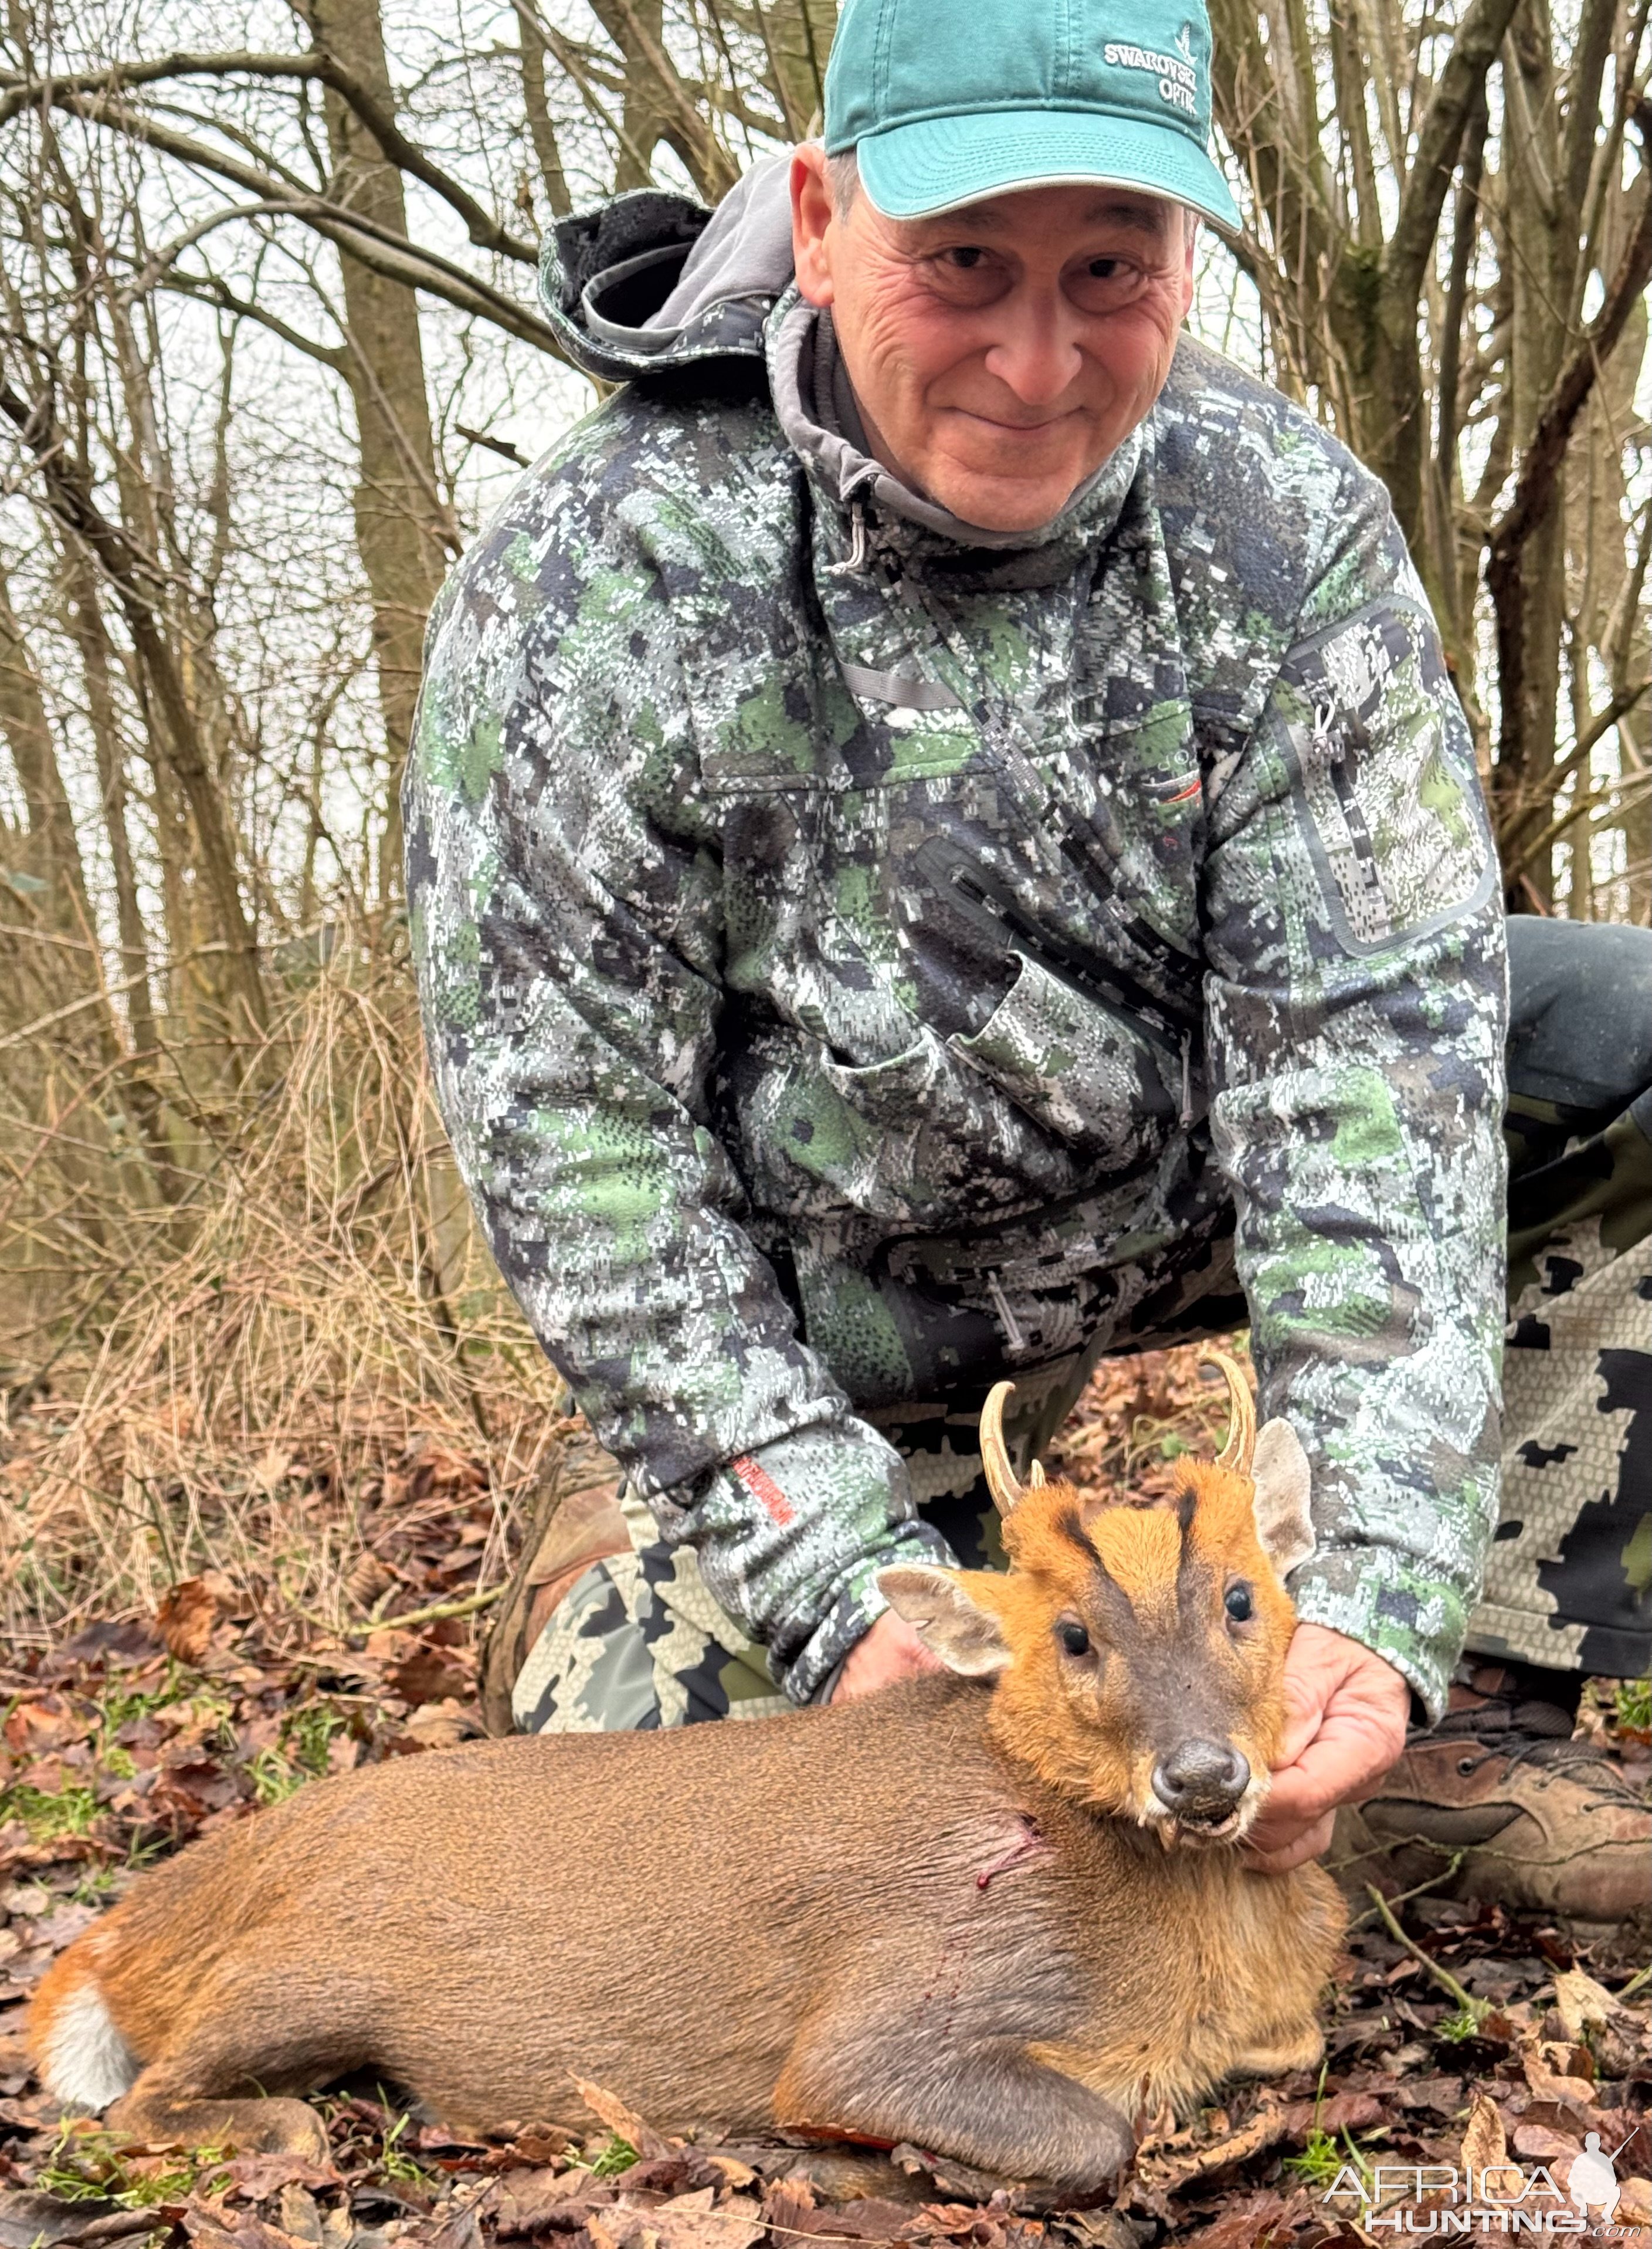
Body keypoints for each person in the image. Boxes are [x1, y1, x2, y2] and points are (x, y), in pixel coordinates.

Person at [405, 0, 1651, 1944]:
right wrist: (830, 1585)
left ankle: (1446, 1725)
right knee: (685, 1826)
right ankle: (610, 1563)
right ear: (818, 223)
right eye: (962, 262)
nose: (1037, 354)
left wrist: (1375, 1593)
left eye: (1110, 271)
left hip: (1165, 1192)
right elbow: (581, 1148)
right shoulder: (594, 585)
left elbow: (1370, 1070)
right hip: (831, 1310)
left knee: (1619, 1033)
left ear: (1186, 262)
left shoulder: (1278, 532)